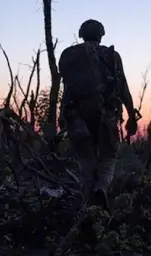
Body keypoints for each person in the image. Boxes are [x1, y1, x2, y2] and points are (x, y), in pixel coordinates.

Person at [58, 19, 139, 209]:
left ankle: (88, 201)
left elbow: (67, 89)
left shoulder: (68, 55)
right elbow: (123, 87)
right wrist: (132, 115)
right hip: (106, 115)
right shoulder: (111, 55)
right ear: (101, 35)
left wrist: (63, 116)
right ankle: (101, 188)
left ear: (81, 34)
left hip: (76, 114)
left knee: (86, 157)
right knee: (109, 155)